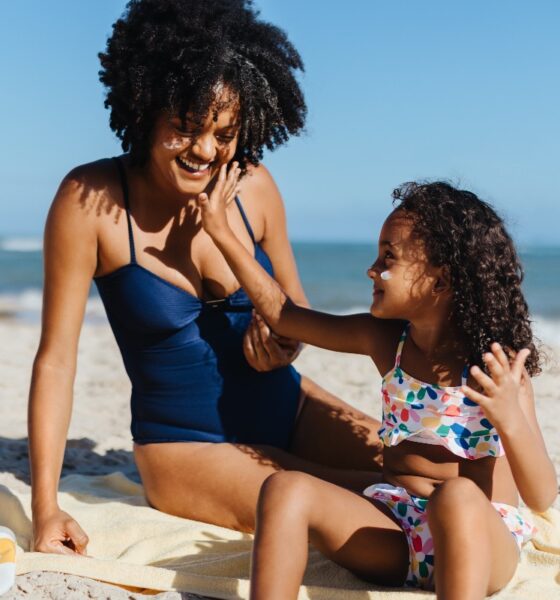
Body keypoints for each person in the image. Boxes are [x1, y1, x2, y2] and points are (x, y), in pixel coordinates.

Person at [28, 0, 383, 556]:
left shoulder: (255, 188)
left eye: (224, 133)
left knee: (425, 474)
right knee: (376, 514)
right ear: (144, 108)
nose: (205, 150)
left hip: (288, 408)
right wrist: (46, 506)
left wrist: (284, 346)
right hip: (186, 450)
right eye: (186, 128)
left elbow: (299, 315)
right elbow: (56, 360)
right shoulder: (89, 202)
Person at [197, 173, 558, 599]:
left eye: (389, 258)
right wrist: (220, 231)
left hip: (481, 540)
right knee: (284, 487)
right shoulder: (387, 342)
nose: (372, 269)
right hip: (398, 530)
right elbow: (284, 316)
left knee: (456, 497)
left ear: (440, 282)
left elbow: (540, 495)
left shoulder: (496, 371)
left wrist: (510, 419)